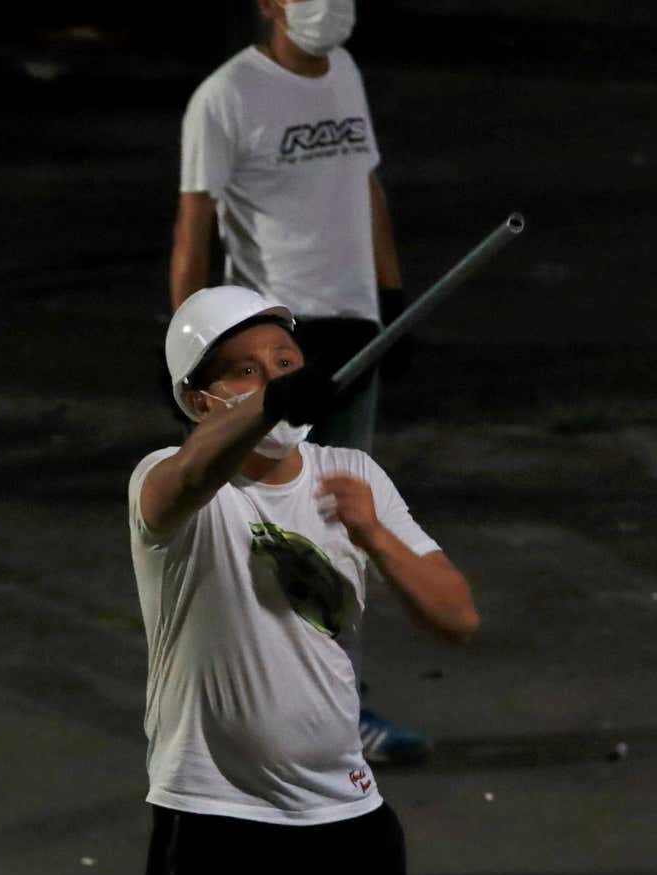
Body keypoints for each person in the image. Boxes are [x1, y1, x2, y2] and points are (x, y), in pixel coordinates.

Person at [129, 285, 478, 875]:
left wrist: (373, 534)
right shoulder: (170, 483)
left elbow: (458, 617)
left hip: (345, 814)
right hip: (214, 817)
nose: (270, 378)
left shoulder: (352, 473)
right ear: (196, 399)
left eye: (285, 363)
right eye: (244, 371)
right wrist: (273, 402)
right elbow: (184, 477)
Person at [168, 0, 427, 762]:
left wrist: (391, 298)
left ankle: (335, 708)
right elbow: (194, 227)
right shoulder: (226, 97)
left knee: (343, 527)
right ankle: (262, 710)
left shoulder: (344, 73)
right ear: (267, 4)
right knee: (274, 532)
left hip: (354, 335)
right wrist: (185, 358)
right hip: (279, 348)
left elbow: (366, 187)